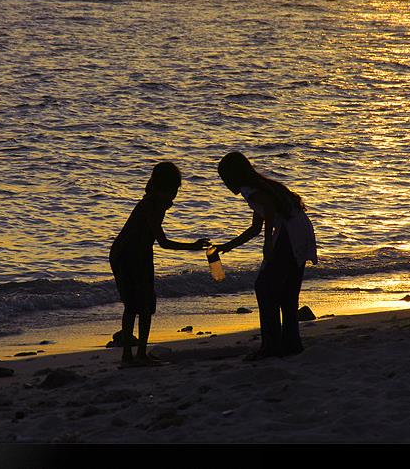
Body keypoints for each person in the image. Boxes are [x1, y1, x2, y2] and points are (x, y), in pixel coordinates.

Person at [214, 151, 317, 361]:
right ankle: (291, 343)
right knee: (287, 292)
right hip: (301, 230)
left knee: (264, 287)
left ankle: (271, 346)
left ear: (234, 176)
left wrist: (268, 242)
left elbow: (269, 211)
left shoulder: (250, 190)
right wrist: (228, 246)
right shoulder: (262, 187)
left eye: (225, 179)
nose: (225, 184)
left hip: (288, 235)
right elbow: (254, 228)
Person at [109, 162, 210, 367]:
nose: (173, 197)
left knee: (144, 304)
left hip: (138, 253)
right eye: (171, 191)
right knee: (136, 305)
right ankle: (133, 356)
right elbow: (163, 242)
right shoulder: (150, 205)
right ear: (161, 188)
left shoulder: (155, 202)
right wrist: (192, 246)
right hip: (127, 255)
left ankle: (137, 354)